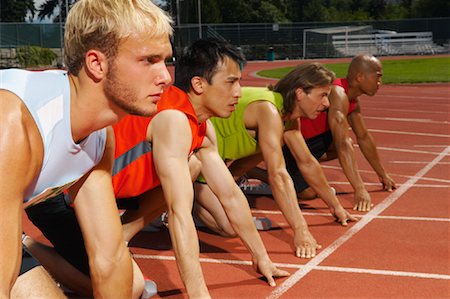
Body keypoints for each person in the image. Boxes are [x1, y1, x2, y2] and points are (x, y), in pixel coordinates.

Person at [24, 38, 289, 299]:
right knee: (131, 288)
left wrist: (261, 258)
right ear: (199, 84)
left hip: (107, 190)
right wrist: (198, 294)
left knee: (192, 164)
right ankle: (27, 245)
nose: (239, 93)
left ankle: (119, 236)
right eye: (231, 82)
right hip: (60, 196)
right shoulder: (173, 120)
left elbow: (230, 195)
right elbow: (179, 214)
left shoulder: (202, 127)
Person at [0, 0, 173, 297]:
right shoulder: (15, 124)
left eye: (166, 60)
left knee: (130, 285)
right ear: (97, 64)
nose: (166, 77)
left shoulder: (100, 136)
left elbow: (109, 258)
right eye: (149, 60)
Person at [194, 63, 357, 260]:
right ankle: (187, 199)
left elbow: (307, 162)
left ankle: (208, 197)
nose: (327, 104)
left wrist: (336, 206)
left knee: (270, 146)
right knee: (229, 228)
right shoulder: (269, 110)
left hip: (219, 158)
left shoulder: (288, 117)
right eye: (322, 95)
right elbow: (278, 174)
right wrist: (301, 231)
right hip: (199, 153)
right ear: (299, 93)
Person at [288, 54, 397, 211]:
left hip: (310, 143)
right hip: (291, 141)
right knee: (309, 193)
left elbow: (364, 137)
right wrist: (359, 189)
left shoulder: (353, 101)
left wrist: (383, 174)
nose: (380, 83)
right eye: (377, 77)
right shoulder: (338, 93)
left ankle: (292, 173)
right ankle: (257, 174)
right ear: (360, 76)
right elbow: (342, 143)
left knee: (344, 144)